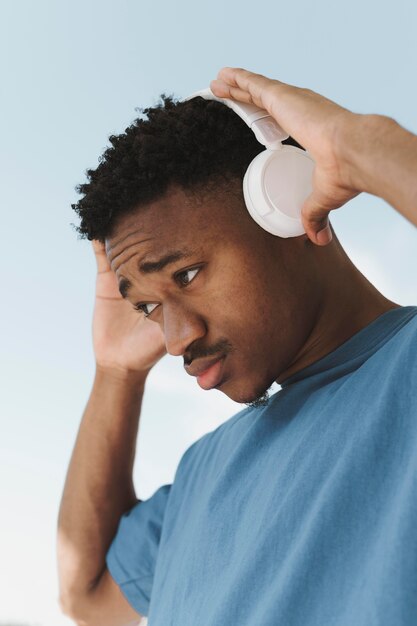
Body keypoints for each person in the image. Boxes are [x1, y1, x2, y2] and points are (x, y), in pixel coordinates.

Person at [57, 67, 417, 626]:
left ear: (290, 209)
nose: (177, 339)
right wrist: (115, 373)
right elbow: (86, 594)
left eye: (187, 274)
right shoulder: (202, 473)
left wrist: (361, 144)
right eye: (148, 307)